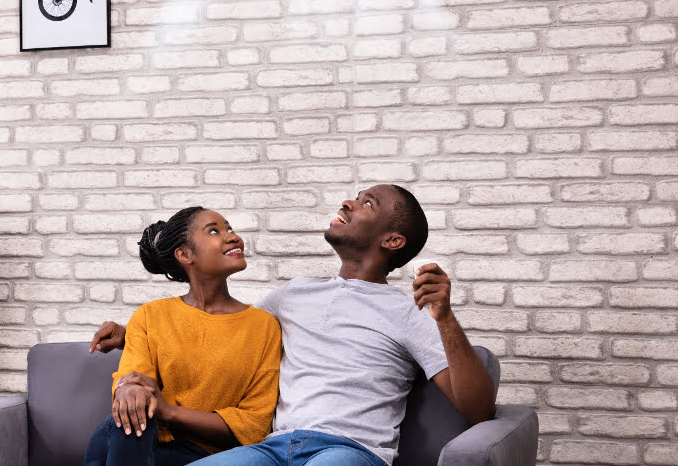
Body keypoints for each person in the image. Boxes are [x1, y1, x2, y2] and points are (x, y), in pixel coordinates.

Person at [90, 184, 495, 466]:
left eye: (367, 203)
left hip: (348, 450)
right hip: (272, 449)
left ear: (392, 240)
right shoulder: (293, 295)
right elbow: (223, 329)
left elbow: (477, 409)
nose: (348, 203)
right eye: (355, 197)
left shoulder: (408, 313)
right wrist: (133, 337)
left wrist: (445, 318)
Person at [83, 206, 283, 466]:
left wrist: (169, 412)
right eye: (214, 231)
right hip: (131, 438)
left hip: (201, 456)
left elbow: (253, 424)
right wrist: (129, 388)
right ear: (185, 254)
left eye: (229, 228)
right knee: (136, 406)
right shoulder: (150, 315)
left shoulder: (264, 327)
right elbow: (133, 383)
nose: (232, 236)